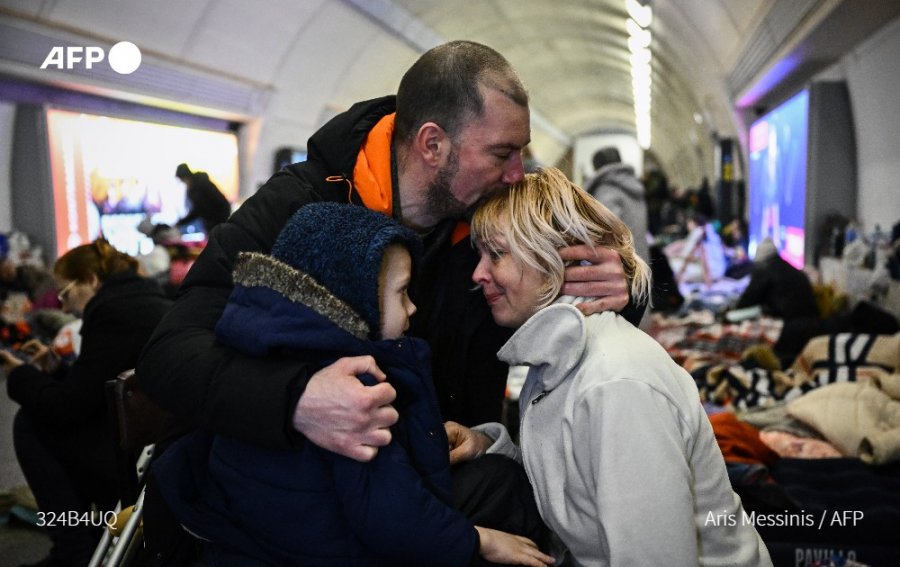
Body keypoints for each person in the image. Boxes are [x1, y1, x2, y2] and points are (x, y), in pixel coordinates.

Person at [136, 41, 640, 563]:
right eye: (501, 153)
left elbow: (555, 322)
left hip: (416, 474)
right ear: (432, 144)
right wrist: (295, 400)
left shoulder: (484, 223)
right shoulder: (302, 209)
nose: (518, 172)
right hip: (284, 495)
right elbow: (168, 353)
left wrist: (619, 292)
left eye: (522, 152)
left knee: (517, 494)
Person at [153, 203, 553, 566]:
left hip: (254, 544)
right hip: (332, 552)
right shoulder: (350, 393)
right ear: (353, 300)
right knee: (503, 488)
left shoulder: (259, 357)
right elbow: (393, 520)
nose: (413, 308)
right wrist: (478, 541)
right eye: (401, 293)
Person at [446, 167, 772, 566]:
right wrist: (489, 449)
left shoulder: (616, 384)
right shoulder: (558, 358)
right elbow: (577, 488)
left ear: (553, 258)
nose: (478, 274)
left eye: (495, 254)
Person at [0, 239, 172, 567]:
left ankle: (73, 546)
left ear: (91, 280)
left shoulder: (111, 313)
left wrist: (20, 375)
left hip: (133, 460)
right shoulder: (145, 301)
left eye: (65, 293)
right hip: (153, 449)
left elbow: (67, 408)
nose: (64, 307)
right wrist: (56, 369)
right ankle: (85, 539)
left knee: (31, 422)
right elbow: (96, 389)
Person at [584, 146, 650, 264]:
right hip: (641, 261)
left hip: (620, 270)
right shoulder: (634, 185)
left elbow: (603, 235)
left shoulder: (605, 191)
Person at [735, 237, 819, 321]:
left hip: (791, 325)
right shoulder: (789, 268)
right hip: (811, 322)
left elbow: (747, 301)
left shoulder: (765, 271)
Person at [173, 163, 232, 234]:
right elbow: (197, 210)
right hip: (211, 224)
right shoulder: (194, 189)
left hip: (218, 223)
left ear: (185, 177)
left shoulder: (202, 185)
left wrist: (220, 223)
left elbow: (221, 203)